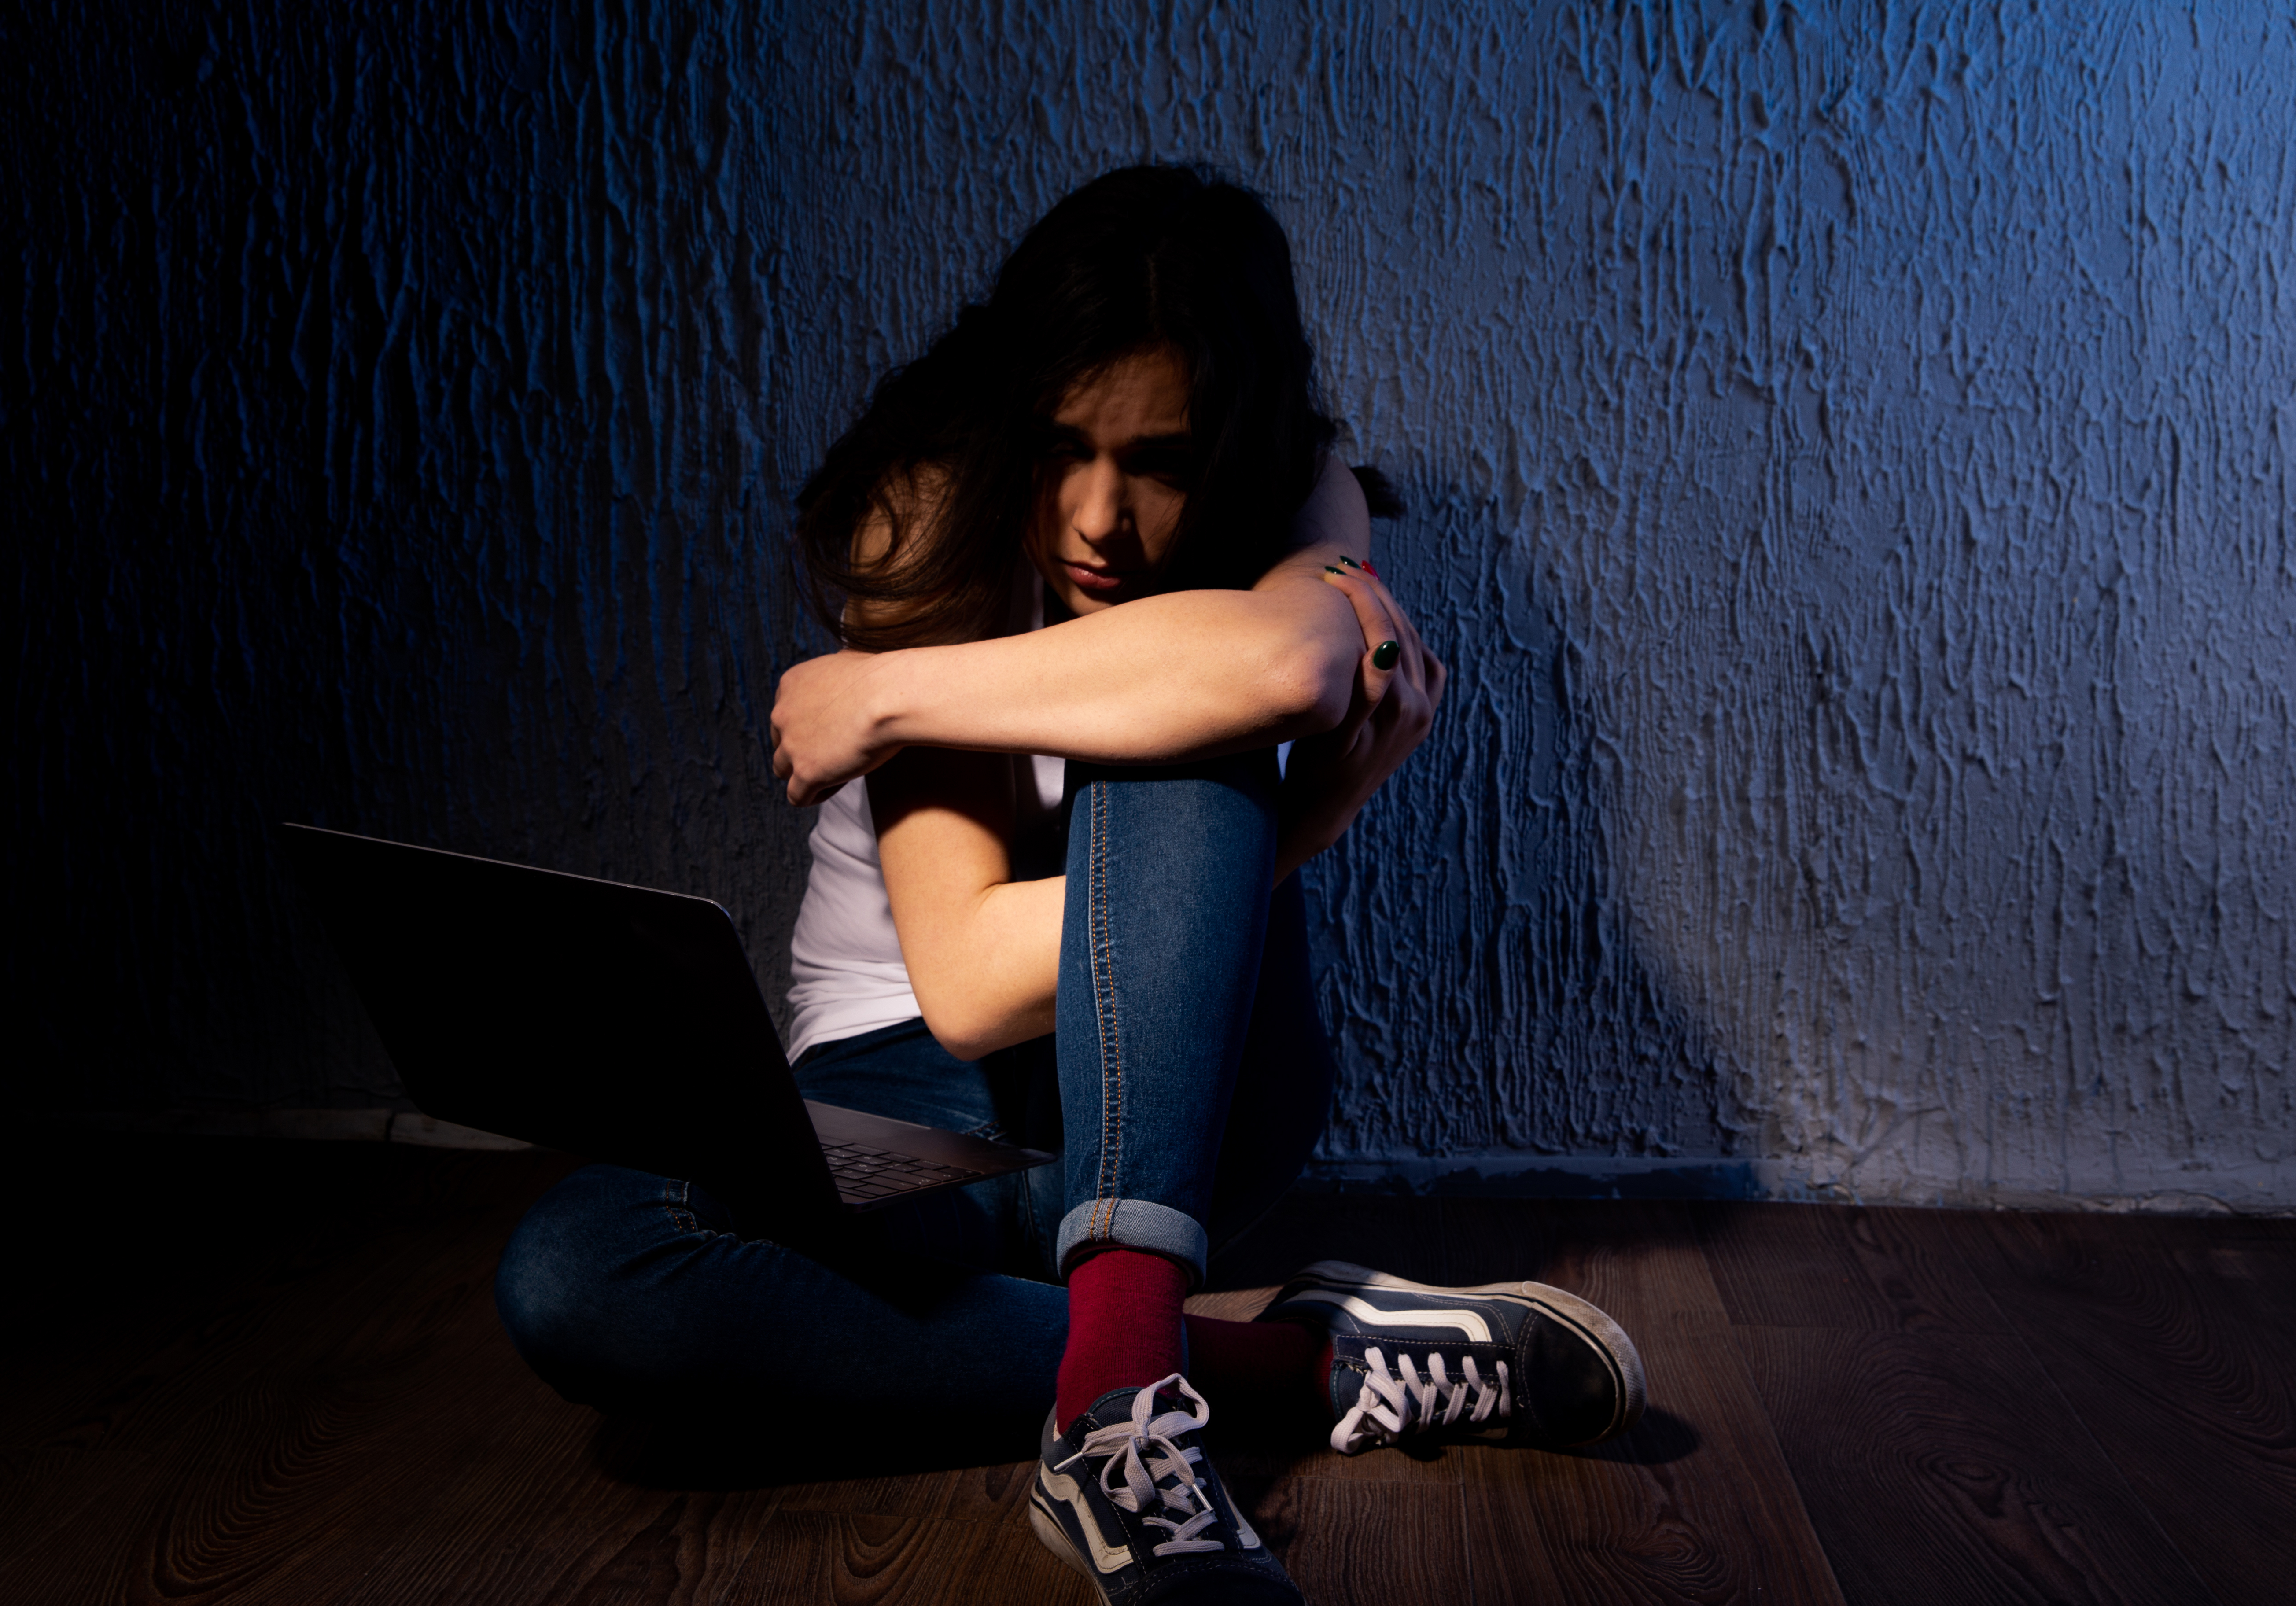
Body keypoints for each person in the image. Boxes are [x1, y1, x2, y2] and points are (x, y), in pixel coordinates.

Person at [496, 166, 1644, 1605]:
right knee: (582, 1269)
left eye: (1159, 459)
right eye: (1062, 446)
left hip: (1199, 1098)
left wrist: (887, 693)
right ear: (1006, 414)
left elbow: (1286, 664)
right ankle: (1274, 1364)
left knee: (1180, 707)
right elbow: (968, 987)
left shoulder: (1296, 489)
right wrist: (1273, 846)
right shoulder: (926, 515)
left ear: (1231, 435)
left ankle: (1112, 1431)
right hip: (914, 1112)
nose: (1100, 518)